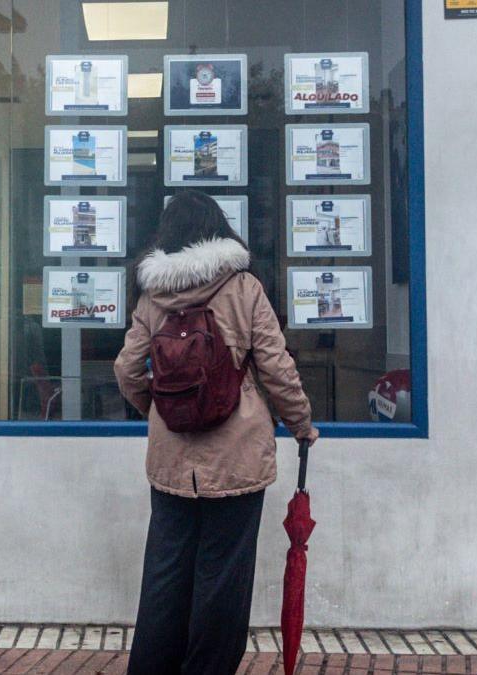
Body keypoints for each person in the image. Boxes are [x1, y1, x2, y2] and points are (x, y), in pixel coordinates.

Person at [114, 190, 318, 674]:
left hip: (171, 463)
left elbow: (126, 370)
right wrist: (301, 424)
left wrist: (160, 409)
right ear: (218, 229)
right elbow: (276, 367)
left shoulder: (153, 295)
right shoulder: (244, 288)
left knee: (166, 576)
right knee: (222, 579)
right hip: (237, 459)